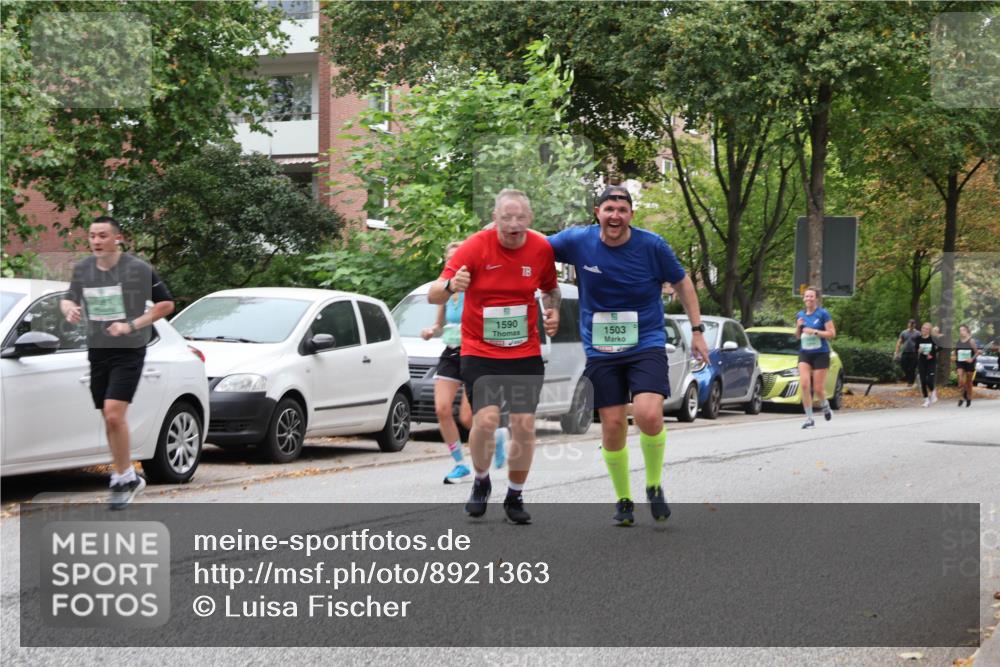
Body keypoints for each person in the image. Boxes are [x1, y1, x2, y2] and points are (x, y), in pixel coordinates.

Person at [547, 185, 710, 526]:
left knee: (649, 415)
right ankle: (623, 499)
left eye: (622, 210)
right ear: (597, 212)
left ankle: (653, 484)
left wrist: (697, 331)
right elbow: (535, 249)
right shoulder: (578, 241)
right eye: (609, 209)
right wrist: (499, 233)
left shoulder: (653, 246)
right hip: (601, 348)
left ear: (631, 215)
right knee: (613, 423)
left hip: (645, 342)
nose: (615, 216)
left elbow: (684, 284)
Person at [429, 189, 560, 525]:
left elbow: (550, 288)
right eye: (506, 218)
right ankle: (481, 480)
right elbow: (433, 294)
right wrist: (451, 285)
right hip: (480, 350)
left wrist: (553, 310)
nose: (513, 225)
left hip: (524, 350)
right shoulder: (475, 246)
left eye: (519, 218)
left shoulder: (541, 249)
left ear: (530, 219)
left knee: (523, 424)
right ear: (495, 217)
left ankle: (515, 495)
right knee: (485, 421)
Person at [60, 216, 175, 509]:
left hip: (129, 349)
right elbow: (68, 298)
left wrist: (131, 325)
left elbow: (166, 305)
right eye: (92, 236)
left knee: (113, 414)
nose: (96, 241)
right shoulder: (84, 268)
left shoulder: (137, 269)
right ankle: (126, 475)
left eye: (102, 236)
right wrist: (70, 309)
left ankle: (123, 476)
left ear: (117, 239)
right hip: (98, 349)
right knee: (108, 418)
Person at [421, 242, 507, 484]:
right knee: (441, 409)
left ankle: (497, 435)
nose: (453, 265)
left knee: (468, 419)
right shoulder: (445, 292)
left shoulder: (475, 286)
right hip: (450, 352)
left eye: (457, 260)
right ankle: (460, 464)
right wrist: (431, 330)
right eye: (449, 261)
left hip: (474, 353)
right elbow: (440, 325)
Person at [795, 286, 837, 429]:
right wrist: (798, 327)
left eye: (811, 296)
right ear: (803, 298)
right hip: (805, 352)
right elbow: (797, 336)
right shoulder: (800, 315)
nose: (808, 299)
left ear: (816, 299)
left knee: (818, 388)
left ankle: (825, 406)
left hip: (821, 353)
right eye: (806, 296)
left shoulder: (823, 314)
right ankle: (809, 419)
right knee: (805, 384)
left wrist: (814, 332)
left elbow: (832, 333)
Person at [915, 322, 941, 407]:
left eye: (926, 329)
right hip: (922, 362)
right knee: (923, 381)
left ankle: (933, 391)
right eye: (923, 328)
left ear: (929, 331)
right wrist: (919, 351)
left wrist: (932, 354)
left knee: (929, 381)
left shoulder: (932, 339)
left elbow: (940, 347)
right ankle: (926, 400)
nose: (924, 330)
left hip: (931, 362)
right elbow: (916, 349)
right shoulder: (918, 338)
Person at [953, 324, 979, 407]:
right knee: (960, 379)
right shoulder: (959, 341)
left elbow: (977, 352)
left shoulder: (971, 341)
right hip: (960, 362)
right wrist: (953, 355)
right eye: (960, 330)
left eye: (963, 330)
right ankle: (961, 397)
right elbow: (956, 352)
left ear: (967, 331)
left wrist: (971, 359)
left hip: (969, 362)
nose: (961, 332)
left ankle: (968, 396)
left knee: (968, 381)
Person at [894, 319, 921, 386]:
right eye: (910, 323)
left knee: (912, 367)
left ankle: (910, 382)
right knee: (904, 366)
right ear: (908, 324)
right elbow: (899, 342)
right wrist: (896, 352)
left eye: (912, 323)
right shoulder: (903, 332)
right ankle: (910, 379)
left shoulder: (918, 333)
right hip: (905, 352)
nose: (911, 325)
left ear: (914, 324)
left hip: (914, 353)